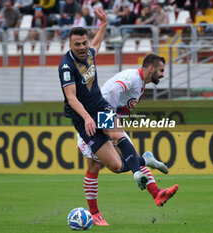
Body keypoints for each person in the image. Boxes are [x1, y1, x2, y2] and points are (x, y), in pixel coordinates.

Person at [57, 8, 170, 213]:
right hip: (83, 118)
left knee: (117, 133)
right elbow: (71, 97)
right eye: (78, 45)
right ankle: (145, 161)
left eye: (84, 43)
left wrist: (104, 24)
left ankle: (140, 179)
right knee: (116, 166)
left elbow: (97, 43)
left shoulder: (89, 53)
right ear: (70, 45)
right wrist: (86, 118)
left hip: (100, 106)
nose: (83, 48)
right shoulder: (66, 67)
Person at [79, 54, 179, 225]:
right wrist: (108, 117)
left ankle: (157, 193)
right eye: (161, 70)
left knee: (129, 157)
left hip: (107, 121)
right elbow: (112, 91)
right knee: (94, 166)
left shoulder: (140, 84)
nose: (163, 74)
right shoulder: (132, 77)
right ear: (151, 69)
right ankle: (94, 213)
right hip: (93, 119)